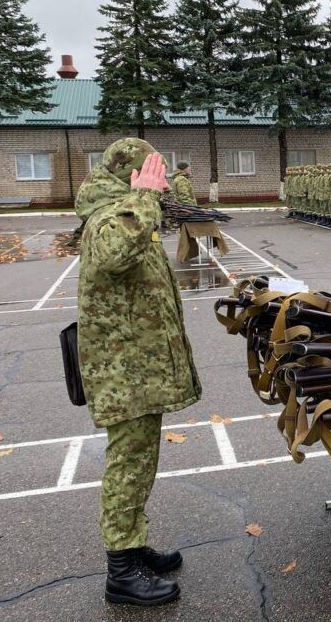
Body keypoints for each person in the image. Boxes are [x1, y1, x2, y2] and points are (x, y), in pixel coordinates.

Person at [75, 138, 202, 606]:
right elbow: (114, 254)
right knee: (128, 466)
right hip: (123, 372)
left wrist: (148, 201)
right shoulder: (109, 219)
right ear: (132, 175)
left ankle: (131, 544)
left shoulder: (125, 211)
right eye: (154, 174)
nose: (163, 182)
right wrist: (144, 198)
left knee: (140, 463)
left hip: (137, 368)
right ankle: (121, 573)